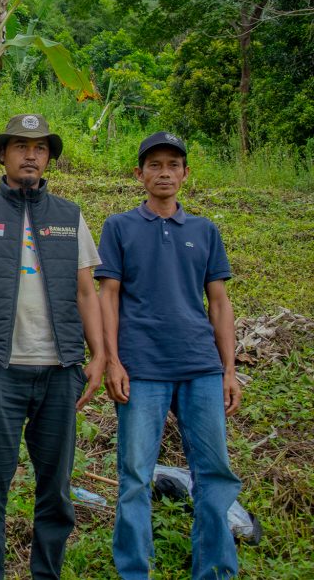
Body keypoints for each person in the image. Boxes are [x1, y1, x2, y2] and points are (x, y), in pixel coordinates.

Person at [0, 114, 106, 580]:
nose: (31, 154)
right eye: (20, 146)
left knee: (56, 489)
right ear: (2, 155)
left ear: (49, 157)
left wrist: (98, 357)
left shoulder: (69, 216)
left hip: (60, 372)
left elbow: (86, 291)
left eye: (39, 147)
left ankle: (46, 574)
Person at [96, 131, 241, 580]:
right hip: (142, 370)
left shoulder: (204, 230)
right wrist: (113, 361)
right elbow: (108, 297)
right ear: (139, 174)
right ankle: (134, 571)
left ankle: (215, 570)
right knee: (135, 476)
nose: (164, 173)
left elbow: (218, 302)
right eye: (154, 165)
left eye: (173, 165)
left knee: (214, 473)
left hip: (201, 367)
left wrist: (229, 369)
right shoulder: (119, 227)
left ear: (185, 174)